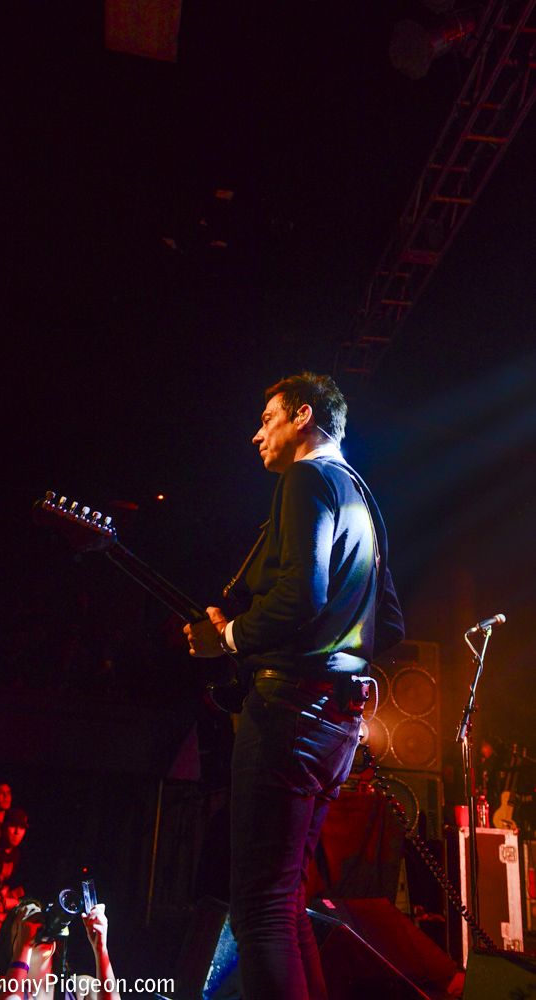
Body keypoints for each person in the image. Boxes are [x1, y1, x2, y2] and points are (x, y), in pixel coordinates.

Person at [185, 373, 404, 1000]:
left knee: (259, 909)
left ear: (302, 416)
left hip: (288, 716)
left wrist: (231, 638)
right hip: (337, 725)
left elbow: (300, 596)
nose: (257, 435)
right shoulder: (362, 495)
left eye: (267, 419)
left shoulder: (306, 478)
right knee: (285, 903)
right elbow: (389, 624)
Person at [0, 899, 121, 1000]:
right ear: (10, 945)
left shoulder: (81, 988)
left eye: (42, 923)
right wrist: (25, 946)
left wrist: (101, 949)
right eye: (27, 926)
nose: (40, 929)